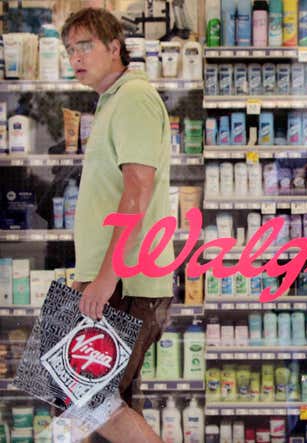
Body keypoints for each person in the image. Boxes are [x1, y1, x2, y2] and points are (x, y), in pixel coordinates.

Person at [61, 7, 174, 442]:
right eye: (70, 49)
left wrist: (107, 278)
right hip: (113, 280)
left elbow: (138, 190)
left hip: (126, 281)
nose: (76, 57)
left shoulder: (133, 97)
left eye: (85, 45)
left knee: (89, 399)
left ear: (115, 47)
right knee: (101, 400)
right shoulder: (111, 101)